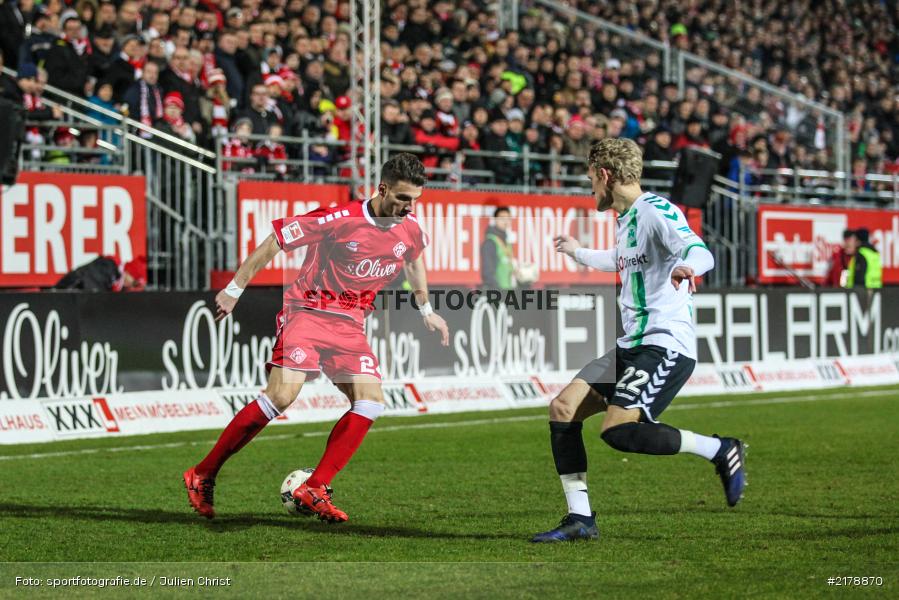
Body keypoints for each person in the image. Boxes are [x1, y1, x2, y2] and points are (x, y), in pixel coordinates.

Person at [183, 153, 449, 522]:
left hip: (350, 326)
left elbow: (413, 259)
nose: (409, 208)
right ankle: (203, 472)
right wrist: (234, 289)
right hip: (307, 314)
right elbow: (276, 240)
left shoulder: (411, 229)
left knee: (371, 402)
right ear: (382, 188)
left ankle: (314, 486)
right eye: (403, 199)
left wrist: (426, 310)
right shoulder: (339, 220)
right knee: (280, 396)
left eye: (415, 201)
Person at [532, 138, 746, 543]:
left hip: (664, 343)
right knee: (563, 408)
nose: (590, 187)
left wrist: (687, 265)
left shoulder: (656, 210)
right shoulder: (627, 219)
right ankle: (581, 519)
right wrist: (578, 253)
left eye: (591, 178)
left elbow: (701, 250)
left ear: (605, 175)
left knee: (619, 429)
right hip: (632, 344)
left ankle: (720, 449)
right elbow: (621, 260)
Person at [480, 206, 516, 290]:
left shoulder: (507, 243)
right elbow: (487, 272)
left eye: (508, 218)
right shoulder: (490, 243)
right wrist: (496, 292)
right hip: (497, 294)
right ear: (495, 219)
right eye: (502, 218)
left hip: (508, 291)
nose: (505, 221)